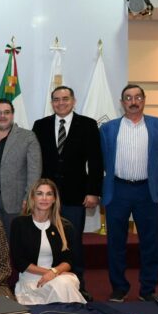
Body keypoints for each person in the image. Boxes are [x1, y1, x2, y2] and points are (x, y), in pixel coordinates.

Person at [32, 86, 103, 301]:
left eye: (65, 99)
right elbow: (35, 161)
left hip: (75, 195)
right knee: (47, 240)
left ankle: (78, 285)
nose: (60, 103)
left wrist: (93, 191)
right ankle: (50, 282)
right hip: (46, 197)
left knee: (73, 241)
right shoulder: (40, 125)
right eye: (56, 99)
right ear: (51, 102)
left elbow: (96, 161)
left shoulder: (88, 125)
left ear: (74, 101)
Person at [101, 84, 158, 302]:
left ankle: (148, 288)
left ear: (144, 100)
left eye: (138, 97)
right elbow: (104, 159)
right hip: (118, 189)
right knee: (116, 242)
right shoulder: (108, 128)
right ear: (122, 102)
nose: (133, 101)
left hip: (146, 190)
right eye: (128, 98)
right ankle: (119, 287)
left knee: (150, 242)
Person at [10, 179, 86, 305]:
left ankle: (70, 311)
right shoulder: (19, 224)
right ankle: (75, 311)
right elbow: (19, 262)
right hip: (31, 279)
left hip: (59, 276)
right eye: (39, 194)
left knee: (64, 283)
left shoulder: (65, 226)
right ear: (32, 197)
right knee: (64, 285)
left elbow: (69, 260)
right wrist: (50, 273)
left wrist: (54, 272)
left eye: (49, 194)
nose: (44, 198)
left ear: (54, 199)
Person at [0, 99, 42, 238]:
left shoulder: (27, 137)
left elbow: (34, 171)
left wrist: (28, 197)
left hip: (17, 201)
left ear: (12, 115)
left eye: (6, 112)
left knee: (15, 241)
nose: (2, 116)